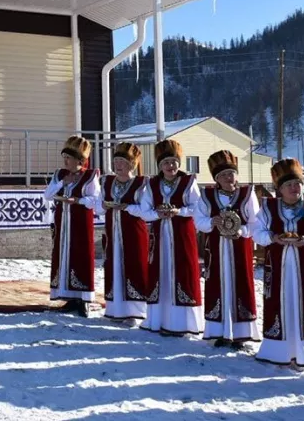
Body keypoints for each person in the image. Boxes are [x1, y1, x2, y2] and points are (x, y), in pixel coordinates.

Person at [251, 158, 304, 367]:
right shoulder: (269, 208)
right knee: (278, 301)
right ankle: (278, 350)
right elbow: (256, 232)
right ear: (280, 189)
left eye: (297, 184)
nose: (294, 188)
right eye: (288, 185)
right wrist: (273, 238)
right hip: (278, 266)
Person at [136, 139, 204, 335]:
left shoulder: (188, 182)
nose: (170, 166)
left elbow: (198, 208)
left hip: (182, 235)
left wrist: (178, 212)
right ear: (160, 165)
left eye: (174, 161)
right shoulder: (152, 184)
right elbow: (144, 211)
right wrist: (158, 214)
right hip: (159, 237)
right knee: (161, 272)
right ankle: (160, 320)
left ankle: (184, 323)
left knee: (184, 272)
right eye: (166, 162)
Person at [194, 149, 261, 347]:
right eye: (223, 175)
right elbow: (198, 221)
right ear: (216, 178)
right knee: (217, 284)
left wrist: (242, 231)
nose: (228, 178)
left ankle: (241, 332)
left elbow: (256, 223)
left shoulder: (247, 194)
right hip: (216, 248)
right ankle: (220, 331)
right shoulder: (207, 196)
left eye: (231, 173)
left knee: (241, 284)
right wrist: (211, 222)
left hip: (240, 248)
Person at [44, 135, 100, 317]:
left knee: (81, 255)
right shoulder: (59, 174)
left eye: (69, 158)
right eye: (65, 158)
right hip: (63, 221)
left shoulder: (90, 176)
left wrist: (78, 200)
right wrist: (62, 183)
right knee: (64, 255)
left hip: (81, 221)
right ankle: (69, 296)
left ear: (79, 160)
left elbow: (96, 200)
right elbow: (48, 195)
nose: (66, 161)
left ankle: (83, 298)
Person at [96, 142, 150, 323]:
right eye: (116, 161)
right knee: (114, 265)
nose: (118, 165)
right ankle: (116, 309)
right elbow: (98, 206)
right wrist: (103, 205)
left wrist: (127, 207)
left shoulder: (141, 183)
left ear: (131, 164)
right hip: (113, 231)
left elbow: (145, 209)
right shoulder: (106, 181)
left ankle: (135, 311)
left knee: (135, 265)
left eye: (123, 162)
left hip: (134, 232)